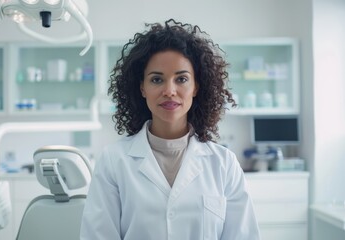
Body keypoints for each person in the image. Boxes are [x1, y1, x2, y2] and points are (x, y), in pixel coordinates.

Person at [80, 19, 260, 240]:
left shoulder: (224, 164)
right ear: (142, 88)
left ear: (196, 87)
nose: (169, 90)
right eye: (157, 79)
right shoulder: (113, 161)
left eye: (181, 79)